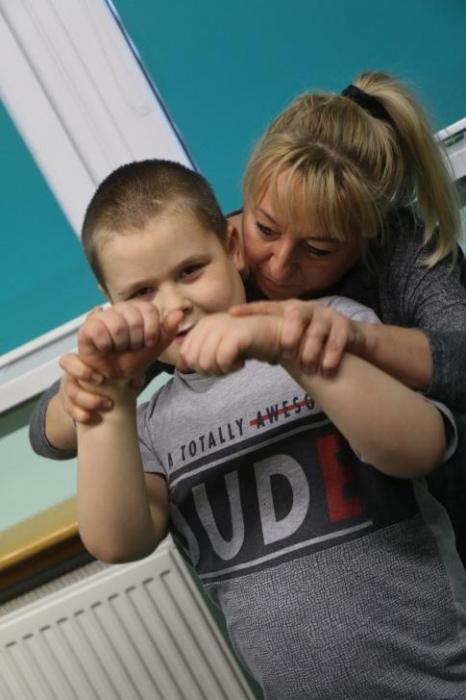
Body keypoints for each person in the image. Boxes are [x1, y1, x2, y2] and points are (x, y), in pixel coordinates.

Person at [29, 70, 466, 559]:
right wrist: (90, 391)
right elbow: (52, 433)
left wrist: (339, 340)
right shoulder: (202, 258)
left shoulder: (389, 263)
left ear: (368, 237)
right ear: (236, 234)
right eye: (266, 229)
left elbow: (449, 385)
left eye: (318, 249)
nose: (277, 266)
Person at [73, 159, 466, 700]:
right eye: (141, 293)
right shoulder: (147, 425)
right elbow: (117, 542)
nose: (174, 305)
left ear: (232, 247)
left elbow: (420, 449)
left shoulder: (327, 323)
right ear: (109, 301)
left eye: (191, 270)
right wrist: (109, 397)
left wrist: (294, 349)